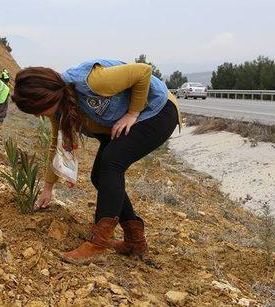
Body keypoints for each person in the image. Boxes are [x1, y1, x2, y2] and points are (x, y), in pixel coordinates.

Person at [11, 59, 181, 264]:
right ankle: (135, 242)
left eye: (37, 108)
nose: (38, 115)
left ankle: (98, 243)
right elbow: (55, 146)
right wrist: (48, 188)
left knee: (112, 162)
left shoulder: (91, 82)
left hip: (157, 111)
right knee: (99, 176)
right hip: (123, 123)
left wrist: (132, 113)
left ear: (48, 96)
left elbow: (143, 71)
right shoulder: (59, 108)